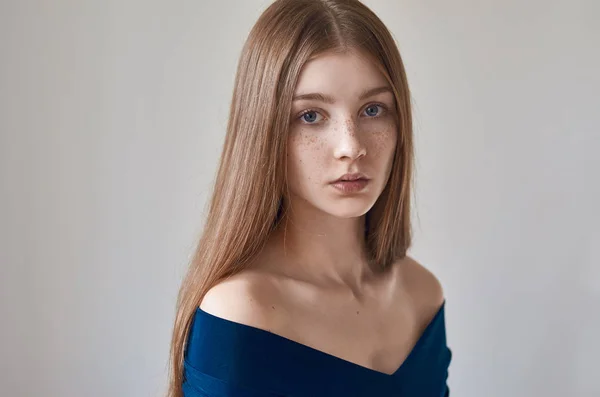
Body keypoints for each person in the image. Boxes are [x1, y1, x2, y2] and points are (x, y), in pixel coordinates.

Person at [167, 0, 452, 396]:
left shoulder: (421, 295)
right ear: (264, 131)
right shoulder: (243, 311)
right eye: (311, 116)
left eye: (373, 109)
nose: (351, 146)